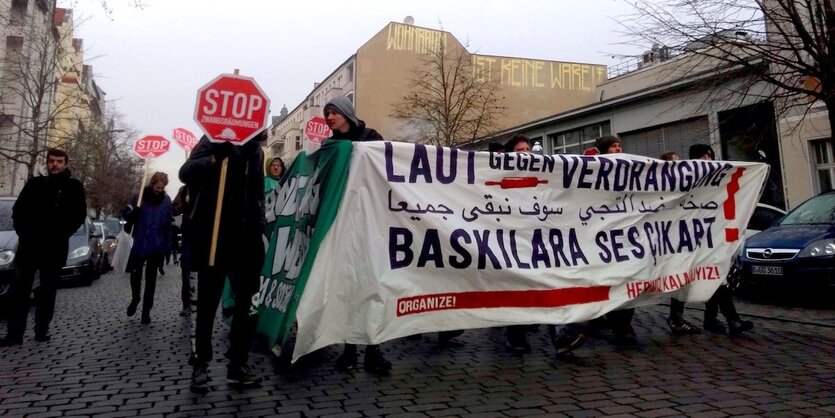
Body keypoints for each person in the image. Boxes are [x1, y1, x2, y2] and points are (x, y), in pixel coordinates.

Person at [180, 132, 267, 394]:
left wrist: (260, 224)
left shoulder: (256, 150)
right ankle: (201, 365)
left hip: (246, 239)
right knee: (207, 305)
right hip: (213, 236)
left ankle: (238, 365)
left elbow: (258, 190)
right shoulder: (212, 141)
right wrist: (214, 159)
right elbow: (186, 172)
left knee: (246, 307)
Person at [324, 96, 392, 376]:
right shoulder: (328, 147)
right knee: (346, 287)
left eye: (334, 112)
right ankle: (349, 349)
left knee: (372, 285)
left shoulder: (371, 138)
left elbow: (385, 170)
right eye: (326, 113)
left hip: (369, 222)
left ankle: (374, 349)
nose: (329, 118)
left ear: (347, 114)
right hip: (340, 223)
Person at [1, 148, 86, 346]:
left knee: (47, 290)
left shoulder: (73, 187)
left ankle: (41, 329)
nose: (55, 164)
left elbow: (78, 215)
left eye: (59, 161)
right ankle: (14, 333)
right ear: (47, 163)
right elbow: (18, 211)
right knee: (20, 289)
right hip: (29, 246)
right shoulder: (35, 184)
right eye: (51, 161)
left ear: (66, 164)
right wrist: (24, 233)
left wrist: (63, 232)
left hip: (55, 247)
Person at [688, 144, 754, 337]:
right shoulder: (688, 180)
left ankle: (722, 319)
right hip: (692, 238)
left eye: (709, 157)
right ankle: (719, 319)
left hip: (712, 237)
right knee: (700, 280)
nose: (707, 160)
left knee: (716, 278)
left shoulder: (717, 179)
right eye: (703, 157)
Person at [659, 151, 702, 335]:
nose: (677, 165)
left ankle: (676, 317)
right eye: (672, 162)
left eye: (678, 161)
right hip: (662, 241)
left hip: (680, 240)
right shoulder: (657, 186)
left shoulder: (685, 185)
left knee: (681, 278)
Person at [123, 172, 173, 325]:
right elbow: (126, 214)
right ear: (152, 184)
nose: (160, 189)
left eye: (162, 187)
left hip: (156, 244)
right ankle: (135, 298)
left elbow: (168, 221)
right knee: (135, 274)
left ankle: (146, 311)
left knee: (151, 280)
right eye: (158, 187)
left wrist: (167, 244)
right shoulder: (138, 197)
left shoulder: (166, 200)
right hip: (138, 242)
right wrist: (133, 213)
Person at [172, 185, 194, 317]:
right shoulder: (185, 189)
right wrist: (183, 204)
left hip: (205, 237)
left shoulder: (210, 185)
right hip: (189, 237)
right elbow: (174, 209)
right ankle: (187, 304)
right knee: (186, 273)